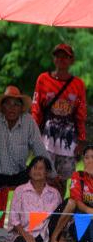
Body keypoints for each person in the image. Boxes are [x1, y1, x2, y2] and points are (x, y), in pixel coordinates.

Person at [0, 86, 54, 214]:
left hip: (19, 172)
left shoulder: (28, 121)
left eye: (16, 104)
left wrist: (53, 175)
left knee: (49, 183)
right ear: (2, 107)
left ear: (21, 108)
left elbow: (40, 150)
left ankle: (34, 224)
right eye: (7, 104)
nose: (12, 107)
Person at [31, 43, 86, 187]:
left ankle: (60, 208)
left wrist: (81, 139)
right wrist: (33, 134)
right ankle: (43, 208)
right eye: (58, 56)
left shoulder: (78, 84)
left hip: (69, 141)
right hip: (47, 138)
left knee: (62, 181)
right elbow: (36, 109)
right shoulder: (43, 79)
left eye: (65, 57)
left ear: (71, 60)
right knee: (43, 176)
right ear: (54, 59)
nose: (61, 59)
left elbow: (81, 112)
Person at [7, 156, 61, 242]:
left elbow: (60, 218)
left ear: (47, 172)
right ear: (29, 171)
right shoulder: (20, 191)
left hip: (44, 232)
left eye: (41, 168)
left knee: (63, 207)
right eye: (34, 168)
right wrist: (25, 234)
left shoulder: (54, 193)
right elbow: (14, 217)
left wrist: (60, 236)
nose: (37, 171)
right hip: (23, 231)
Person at [50, 143, 93, 242]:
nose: (90, 160)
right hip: (80, 225)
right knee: (71, 201)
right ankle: (55, 237)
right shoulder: (78, 176)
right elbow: (76, 201)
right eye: (86, 157)